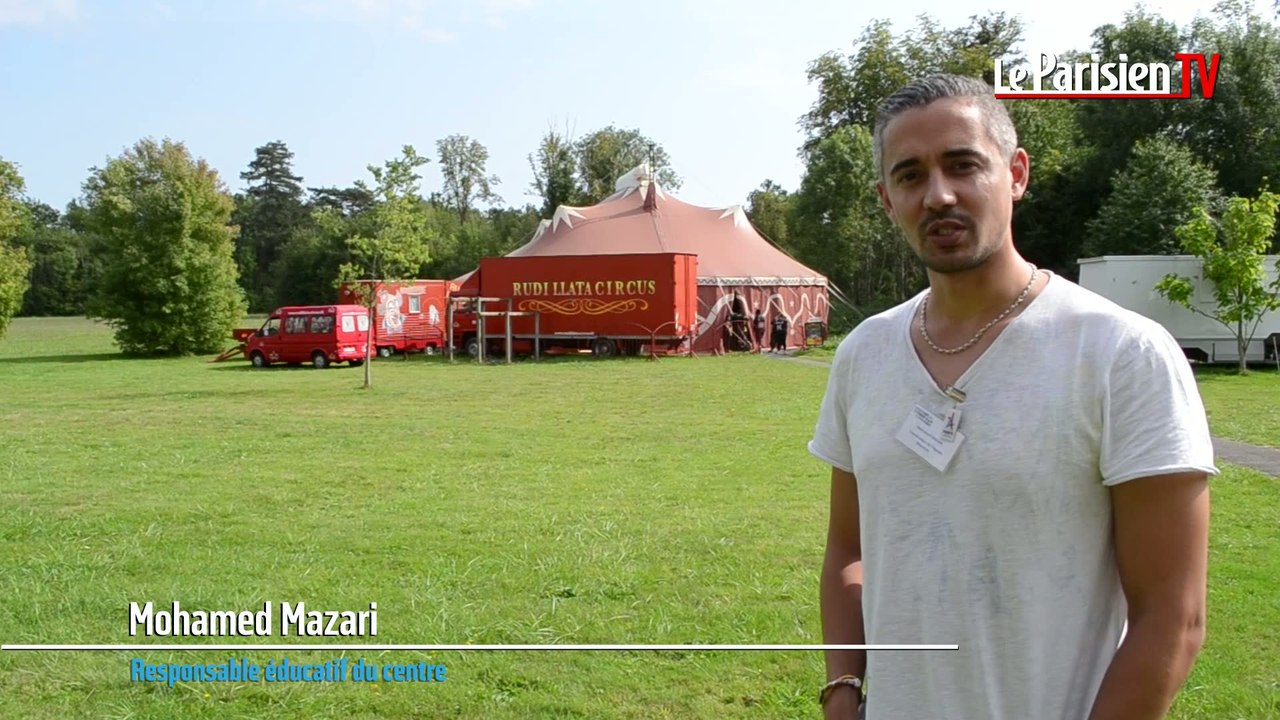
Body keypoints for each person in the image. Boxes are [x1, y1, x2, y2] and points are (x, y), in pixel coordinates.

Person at [807, 74, 1217, 720]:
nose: (939, 194)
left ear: (1017, 173)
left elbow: (1174, 617)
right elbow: (847, 553)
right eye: (911, 176)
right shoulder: (864, 354)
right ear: (887, 200)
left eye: (963, 165)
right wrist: (843, 693)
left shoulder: (1122, 355)